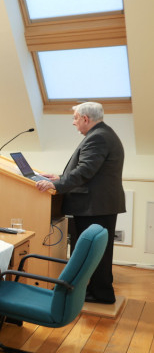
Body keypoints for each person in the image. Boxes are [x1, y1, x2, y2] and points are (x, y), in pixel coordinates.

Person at [36, 101, 125, 304]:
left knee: (93, 253)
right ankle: (98, 291)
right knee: (97, 252)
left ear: (85, 118)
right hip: (97, 205)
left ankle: (100, 293)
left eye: (75, 118)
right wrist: (59, 178)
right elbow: (89, 171)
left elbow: (85, 171)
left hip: (94, 207)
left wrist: (56, 185)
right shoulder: (102, 134)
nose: (73, 122)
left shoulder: (98, 137)